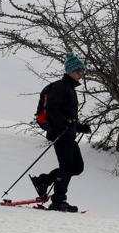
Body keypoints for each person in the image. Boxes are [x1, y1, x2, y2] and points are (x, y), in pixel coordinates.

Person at [30, 52, 91, 212]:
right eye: (79, 71)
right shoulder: (61, 87)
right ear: (71, 71)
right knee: (66, 166)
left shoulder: (69, 89)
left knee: (77, 167)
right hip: (59, 134)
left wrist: (80, 127)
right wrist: (65, 124)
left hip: (68, 134)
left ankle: (44, 180)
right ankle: (58, 201)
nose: (81, 75)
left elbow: (68, 117)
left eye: (81, 72)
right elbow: (51, 110)